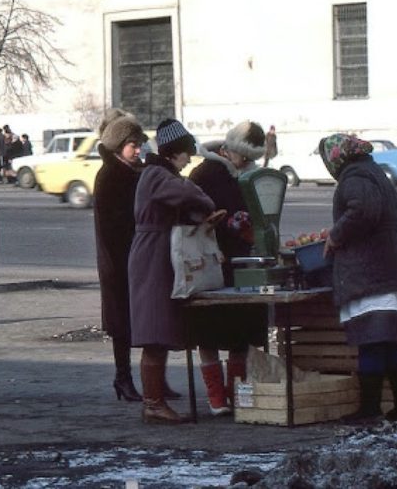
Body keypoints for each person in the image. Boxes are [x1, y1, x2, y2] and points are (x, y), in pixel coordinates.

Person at [318, 133, 397, 422]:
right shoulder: (372, 171)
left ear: (336, 157)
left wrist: (336, 235)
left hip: (372, 274)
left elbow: (362, 211)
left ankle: (370, 410)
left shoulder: (355, 177)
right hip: (389, 271)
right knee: (390, 342)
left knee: (372, 340)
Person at [127, 118, 221, 424]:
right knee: (155, 329)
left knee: (160, 327)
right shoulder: (158, 175)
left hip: (157, 253)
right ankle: (153, 403)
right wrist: (205, 202)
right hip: (152, 255)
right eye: (185, 154)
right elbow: (186, 193)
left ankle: (154, 400)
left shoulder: (156, 174)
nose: (188, 161)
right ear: (173, 153)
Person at [93, 110, 182, 403]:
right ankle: (123, 378)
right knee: (122, 323)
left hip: (139, 256)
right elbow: (111, 226)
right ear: (119, 146)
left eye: (140, 144)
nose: (138, 150)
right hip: (119, 260)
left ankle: (158, 381)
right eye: (133, 145)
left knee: (154, 319)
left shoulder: (136, 172)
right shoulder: (109, 175)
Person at [188, 121, 267, 416]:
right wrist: (222, 221)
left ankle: (235, 390)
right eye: (243, 157)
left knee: (241, 332)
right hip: (209, 261)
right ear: (228, 149)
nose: (247, 163)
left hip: (240, 260)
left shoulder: (247, 174)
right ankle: (215, 395)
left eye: (251, 159)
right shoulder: (204, 173)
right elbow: (191, 214)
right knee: (207, 332)